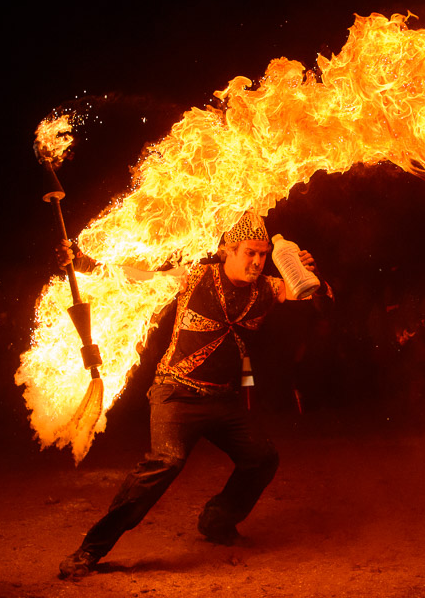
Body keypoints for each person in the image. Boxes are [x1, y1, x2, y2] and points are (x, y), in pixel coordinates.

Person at [59, 213, 330, 579]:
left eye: (263, 254)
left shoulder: (269, 288)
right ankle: (90, 550)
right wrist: (82, 263)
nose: (257, 262)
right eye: (250, 253)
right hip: (176, 392)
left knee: (262, 458)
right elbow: (133, 277)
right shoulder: (195, 276)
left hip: (222, 400)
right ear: (227, 251)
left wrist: (313, 275)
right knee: (166, 461)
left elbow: (317, 300)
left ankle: (217, 520)